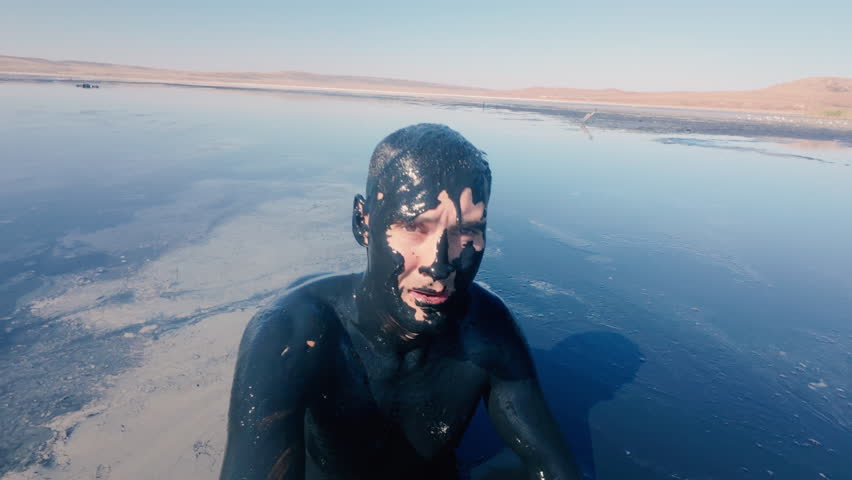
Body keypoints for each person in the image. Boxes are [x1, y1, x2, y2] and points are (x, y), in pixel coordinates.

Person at [219, 124, 580, 480]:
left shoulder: (487, 330)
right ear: (363, 223)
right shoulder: (292, 334)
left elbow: (551, 466)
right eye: (414, 226)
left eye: (466, 231)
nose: (439, 264)